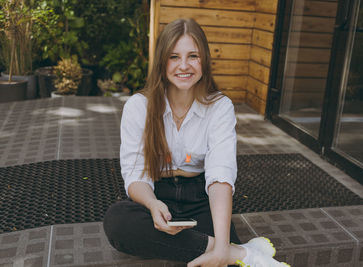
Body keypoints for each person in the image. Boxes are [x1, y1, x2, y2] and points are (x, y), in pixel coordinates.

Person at [103, 18, 290, 267]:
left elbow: (220, 175)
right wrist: (152, 203)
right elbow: (135, 173)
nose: (184, 66)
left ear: (205, 60)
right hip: (157, 192)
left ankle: (223, 248)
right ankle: (243, 254)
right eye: (174, 57)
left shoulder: (220, 106)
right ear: (161, 61)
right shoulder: (139, 107)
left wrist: (220, 243)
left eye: (193, 56)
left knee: (216, 256)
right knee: (118, 221)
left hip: (200, 194)